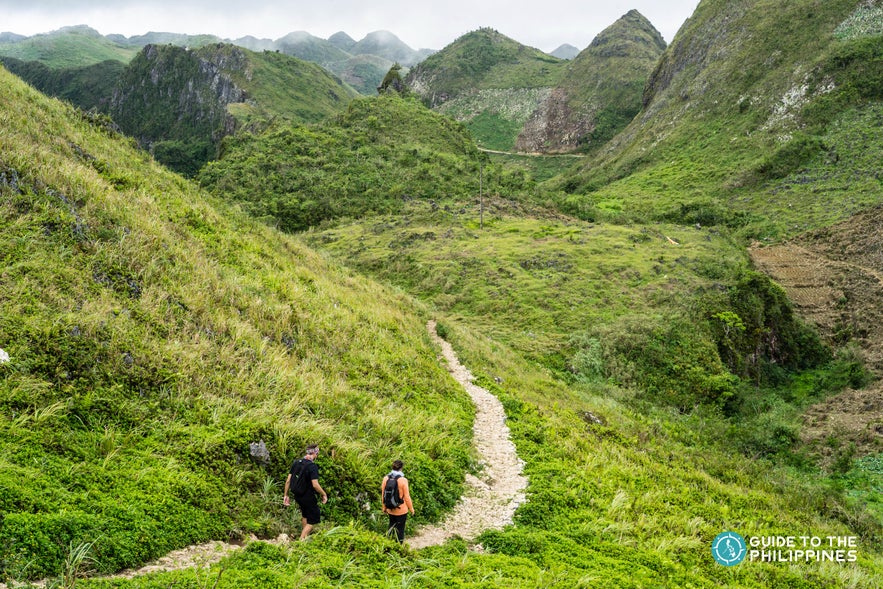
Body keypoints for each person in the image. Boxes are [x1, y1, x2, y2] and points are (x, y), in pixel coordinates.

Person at [283, 444, 328, 540]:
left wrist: (286, 495)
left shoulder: (296, 462)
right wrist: (324, 494)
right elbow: (315, 484)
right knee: (313, 520)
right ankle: (301, 540)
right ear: (315, 453)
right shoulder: (312, 466)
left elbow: (288, 481)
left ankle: (304, 539)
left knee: (305, 514)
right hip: (308, 496)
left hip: (297, 495)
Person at [381, 459, 414, 543]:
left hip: (390, 509)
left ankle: (388, 545)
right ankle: (399, 548)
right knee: (400, 530)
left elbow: (383, 495)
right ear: (401, 468)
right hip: (401, 510)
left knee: (391, 527)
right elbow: (407, 497)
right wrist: (411, 509)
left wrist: (384, 507)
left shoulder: (386, 478)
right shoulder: (403, 480)